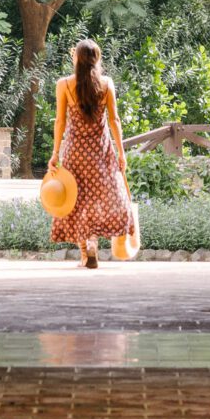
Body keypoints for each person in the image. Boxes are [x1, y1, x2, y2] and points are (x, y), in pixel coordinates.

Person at [48, 37, 138, 269]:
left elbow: (60, 121)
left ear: (76, 59)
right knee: (101, 197)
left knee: (76, 199)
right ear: (96, 60)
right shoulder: (106, 84)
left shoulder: (64, 85)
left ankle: (85, 250)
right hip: (100, 151)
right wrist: (121, 152)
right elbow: (115, 120)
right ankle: (93, 242)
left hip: (75, 152)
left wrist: (55, 153)